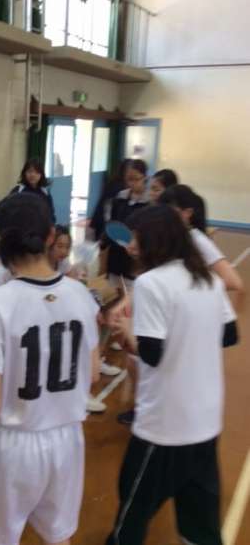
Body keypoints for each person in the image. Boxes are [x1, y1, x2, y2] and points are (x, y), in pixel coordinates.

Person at [0, 193, 100, 545]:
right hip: (67, 440)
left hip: (11, 446)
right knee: (58, 537)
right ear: (50, 235)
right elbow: (92, 374)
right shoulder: (80, 295)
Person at [105, 204, 238, 545]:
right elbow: (229, 334)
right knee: (200, 527)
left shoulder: (151, 284)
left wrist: (128, 333)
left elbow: (152, 353)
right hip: (205, 423)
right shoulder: (206, 278)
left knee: (130, 519)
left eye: (136, 239)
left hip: (164, 428)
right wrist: (188, 336)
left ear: (156, 240)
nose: (130, 246)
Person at [160, 184, 244, 292]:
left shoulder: (197, 239)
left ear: (187, 213)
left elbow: (233, 282)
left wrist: (188, 291)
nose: (163, 218)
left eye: (170, 212)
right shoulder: (167, 237)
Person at [103, 159, 149, 283]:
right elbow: (112, 222)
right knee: (114, 288)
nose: (132, 183)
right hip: (116, 254)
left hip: (135, 258)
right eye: (129, 179)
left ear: (145, 177)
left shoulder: (149, 203)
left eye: (136, 179)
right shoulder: (120, 197)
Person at [90, 158, 132, 241]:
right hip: (104, 223)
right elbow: (108, 207)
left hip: (103, 222)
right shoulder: (118, 187)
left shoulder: (115, 182)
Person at [10, 158, 56, 223]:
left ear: (41, 175)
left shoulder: (45, 193)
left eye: (37, 172)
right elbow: (9, 211)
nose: (33, 175)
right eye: (30, 171)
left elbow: (51, 215)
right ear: (24, 173)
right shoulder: (17, 191)